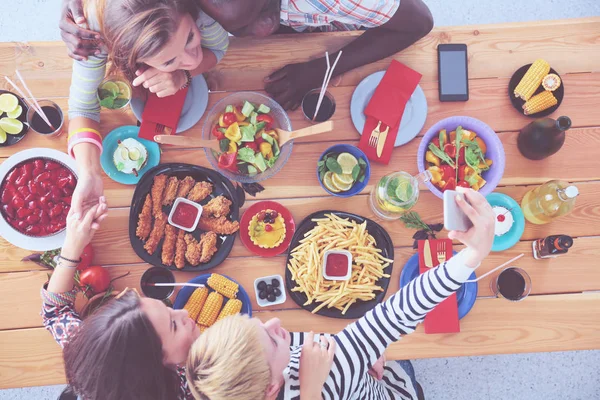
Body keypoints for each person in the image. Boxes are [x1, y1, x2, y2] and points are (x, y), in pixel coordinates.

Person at [185, 187, 495, 400]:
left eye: (256, 324)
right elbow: (398, 312)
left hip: (358, 374)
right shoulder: (334, 367)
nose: (275, 323)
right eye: (271, 338)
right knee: (405, 377)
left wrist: (361, 355)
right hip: (385, 389)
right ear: (270, 388)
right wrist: (473, 255)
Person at [43, 197, 334, 400]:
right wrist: (310, 390)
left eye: (167, 310)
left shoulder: (99, 349)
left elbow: (55, 312)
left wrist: (73, 245)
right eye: (174, 325)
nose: (183, 313)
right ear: (156, 366)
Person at [61, 0, 433, 110]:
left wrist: (320, 69)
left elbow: (420, 22)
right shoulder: (186, 17)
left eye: (261, 13)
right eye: (217, 21)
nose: (258, 33)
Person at [62, 0, 229, 219]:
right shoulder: (94, 34)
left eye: (189, 37)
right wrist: (89, 174)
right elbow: (82, 108)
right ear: (127, 59)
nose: (192, 58)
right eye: (169, 61)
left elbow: (218, 47)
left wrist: (183, 75)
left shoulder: (197, 11)